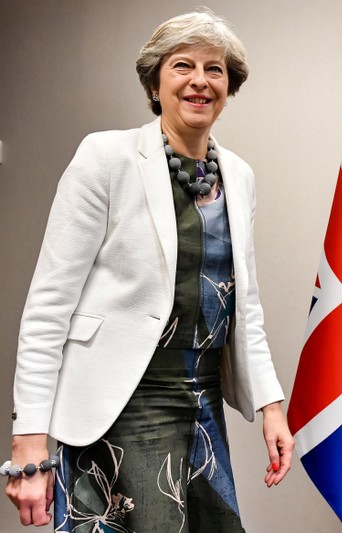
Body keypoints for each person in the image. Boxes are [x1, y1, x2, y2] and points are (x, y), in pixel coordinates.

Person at [3, 8, 294, 531]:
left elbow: (242, 304)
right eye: (183, 65)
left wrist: (271, 404)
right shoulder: (105, 157)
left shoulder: (239, 176)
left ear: (230, 87)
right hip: (121, 407)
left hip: (201, 405)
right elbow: (48, 307)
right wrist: (29, 443)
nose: (200, 81)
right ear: (155, 82)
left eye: (216, 69)